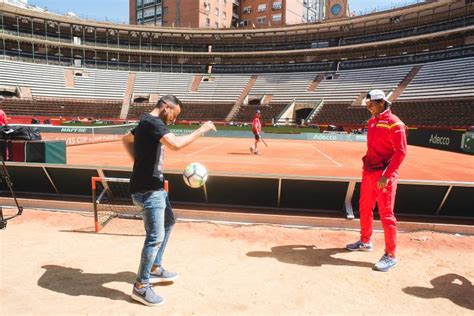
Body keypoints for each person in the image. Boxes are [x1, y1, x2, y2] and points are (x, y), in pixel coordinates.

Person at [122, 95, 216, 306]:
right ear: (166, 107)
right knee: (154, 237)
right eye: (175, 113)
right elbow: (175, 144)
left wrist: (139, 164)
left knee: (168, 222)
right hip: (148, 191)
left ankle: (155, 268)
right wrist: (202, 129)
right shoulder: (153, 122)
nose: (174, 118)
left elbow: (125, 139)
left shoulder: (145, 122)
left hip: (152, 187)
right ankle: (141, 286)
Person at [346, 89, 407, 272]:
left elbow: (401, 152)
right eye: (367, 105)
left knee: (386, 215)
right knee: (364, 207)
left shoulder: (395, 124)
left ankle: (391, 255)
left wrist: (386, 176)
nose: (369, 108)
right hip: (369, 172)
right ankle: (365, 241)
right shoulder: (372, 122)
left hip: (384, 176)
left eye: (371, 104)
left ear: (381, 102)